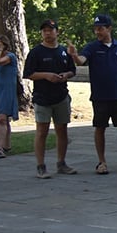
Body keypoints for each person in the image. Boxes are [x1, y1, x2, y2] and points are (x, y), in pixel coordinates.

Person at [72, 14, 117, 174]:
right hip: (100, 96)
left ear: (109, 28)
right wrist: (75, 55)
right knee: (100, 128)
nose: (98, 32)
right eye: (96, 29)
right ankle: (101, 162)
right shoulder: (92, 47)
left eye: (101, 28)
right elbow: (81, 61)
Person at [23, 19, 78, 179]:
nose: (47, 33)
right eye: (44, 30)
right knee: (42, 131)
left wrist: (65, 75)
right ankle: (41, 166)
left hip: (61, 96)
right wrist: (46, 75)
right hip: (42, 97)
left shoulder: (63, 51)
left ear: (57, 32)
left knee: (62, 130)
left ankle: (61, 163)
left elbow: (72, 70)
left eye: (50, 30)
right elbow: (28, 73)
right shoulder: (36, 52)